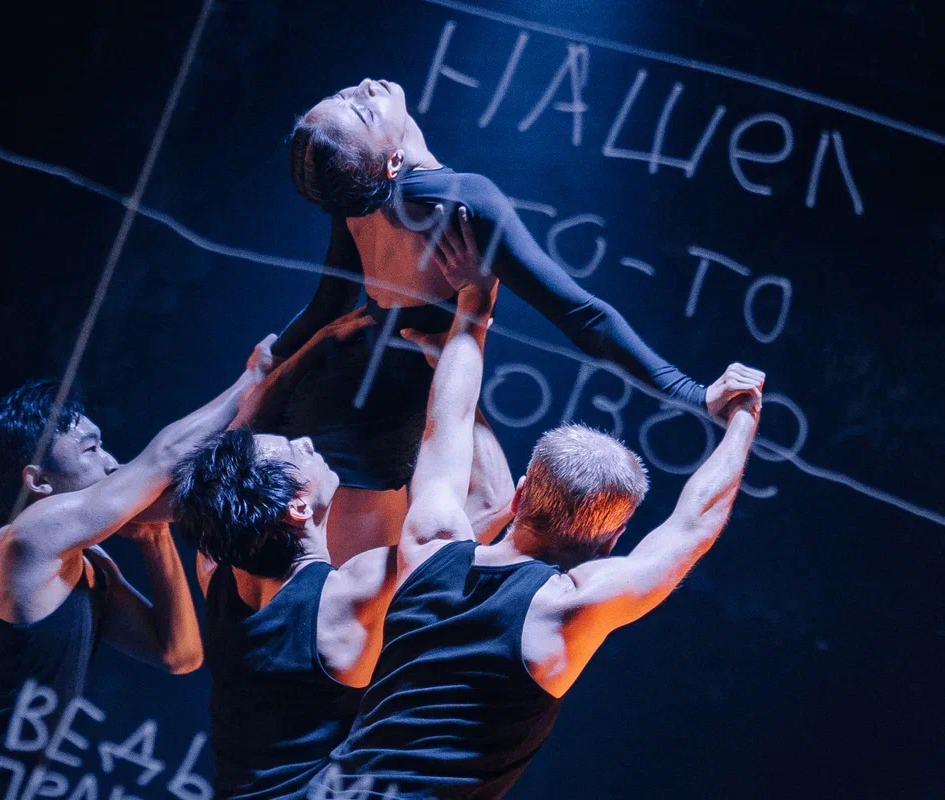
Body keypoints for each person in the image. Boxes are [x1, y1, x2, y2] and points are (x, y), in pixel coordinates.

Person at [305, 272, 764, 798]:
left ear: (519, 496)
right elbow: (694, 525)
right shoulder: (564, 611)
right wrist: (744, 416)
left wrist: (473, 311)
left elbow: (446, 423)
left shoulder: (429, 546)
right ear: (611, 541)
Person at [278, 77, 754, 564]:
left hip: (343, 399)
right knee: (384, 587)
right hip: (373, 436)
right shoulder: (463, 201)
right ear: (391, 161)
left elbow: (327, 307)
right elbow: (583, 316)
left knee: (486, 508)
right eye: (359, 110)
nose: (362, 87)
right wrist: (694, 394)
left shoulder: (357, 188)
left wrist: (270, 368)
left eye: (341, 95)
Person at [168, 249, 509, 800]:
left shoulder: (219, 577)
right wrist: (467, 331)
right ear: (298, 507)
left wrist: (318, 342)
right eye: (295, 451)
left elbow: (237, 436)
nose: (306, 442)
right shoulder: (348, 598)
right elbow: (490, 500)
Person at [0, 334, 276, 800]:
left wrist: (154, 538)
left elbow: (179, 654)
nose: (113, 463)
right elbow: (162, 459)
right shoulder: (25, 541)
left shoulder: (89, 564)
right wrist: (253, 376)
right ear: (38, 481)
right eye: (91, 449)